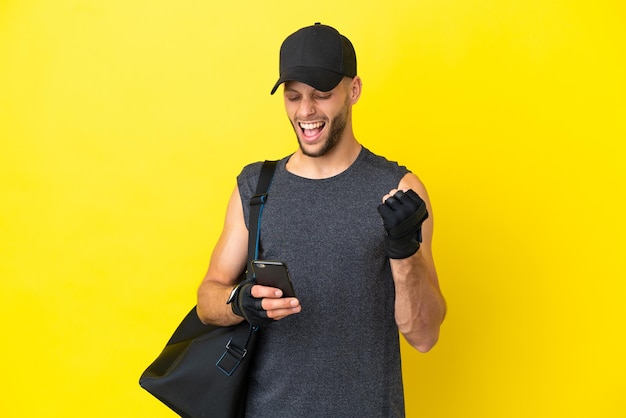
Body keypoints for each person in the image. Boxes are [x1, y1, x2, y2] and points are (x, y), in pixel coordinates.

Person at [197, 22, 446, 417]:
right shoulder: (256, 187)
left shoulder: (399, 190)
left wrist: (404, 252)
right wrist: (241, 301)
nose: (306, 111)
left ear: (355, 90)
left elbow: (425, 335)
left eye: (322, 95)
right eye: (293, 97)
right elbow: (207, 299)